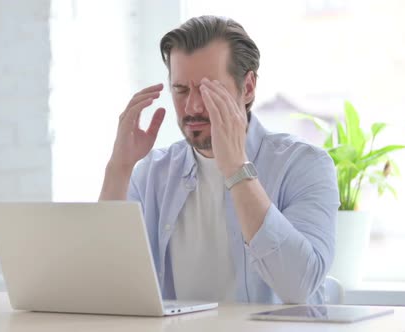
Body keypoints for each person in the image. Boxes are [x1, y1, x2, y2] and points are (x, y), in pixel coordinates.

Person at [99, 15, 340, 304]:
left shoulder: (305, 164)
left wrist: (236, 168)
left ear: (248, 87)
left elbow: (299, 286)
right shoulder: (152, 173)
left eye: (208, 88)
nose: (193, 106)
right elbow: (107, 283)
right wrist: (119, 168)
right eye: (181, 90)